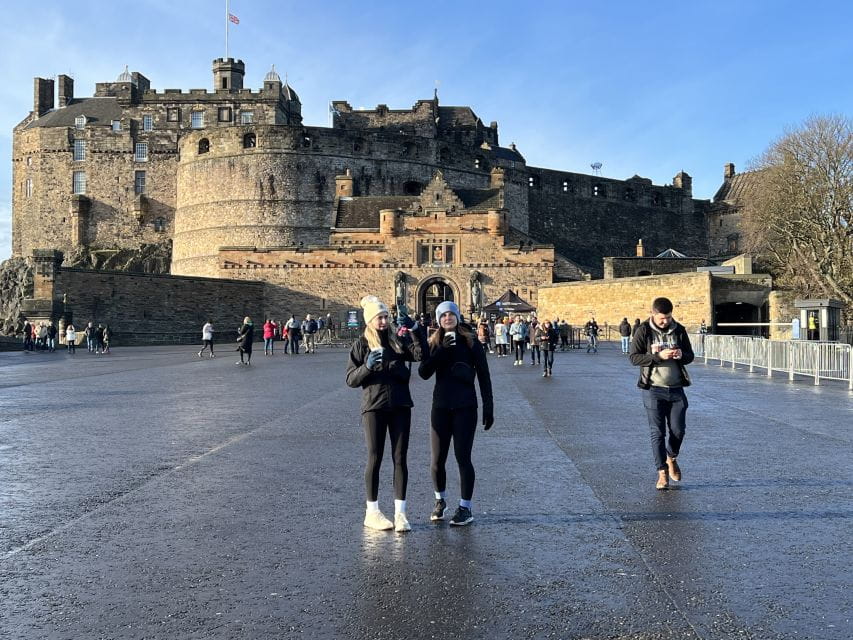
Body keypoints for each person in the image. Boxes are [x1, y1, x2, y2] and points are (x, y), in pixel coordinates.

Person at [346, 295, 426, 532]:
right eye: (378, 318)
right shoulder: (361, 345)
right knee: (375, 457)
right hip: (374, 407)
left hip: (400, 406)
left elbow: (421, 354)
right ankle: (372, 512)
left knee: (400, 458)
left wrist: (414, 329)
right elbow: (350, 379)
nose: (383, 321)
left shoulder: (398, 341)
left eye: (385, 317)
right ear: (369, 320)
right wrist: (367, 366)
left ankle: (400, 513)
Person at [418, 301, 494, 526]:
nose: (447, 318)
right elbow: (423, 372)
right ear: (438, 320)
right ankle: (439, 500)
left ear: (457, 317)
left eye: (451, 314)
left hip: (465, 407)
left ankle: (465, 507)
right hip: (441, 407)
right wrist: (441, 350)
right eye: (443, 315)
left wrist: (488, 406)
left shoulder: (471, 342)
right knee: (437, 460)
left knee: (463, 457)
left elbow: (484, 375)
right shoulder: (434, 342)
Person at [629, 297, 695, 490]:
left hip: (676, 388)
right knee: (657, 432)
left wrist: (681, 355)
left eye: (668, 318)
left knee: (678, 430)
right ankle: (662, 473)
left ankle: (671, 457)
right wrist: (658, 356)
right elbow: (634, 358)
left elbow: (690, 355)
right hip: (653, 389)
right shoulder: (643, 330)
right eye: (661, 318)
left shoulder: (679, 330)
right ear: (653, 314)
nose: (665, 321)